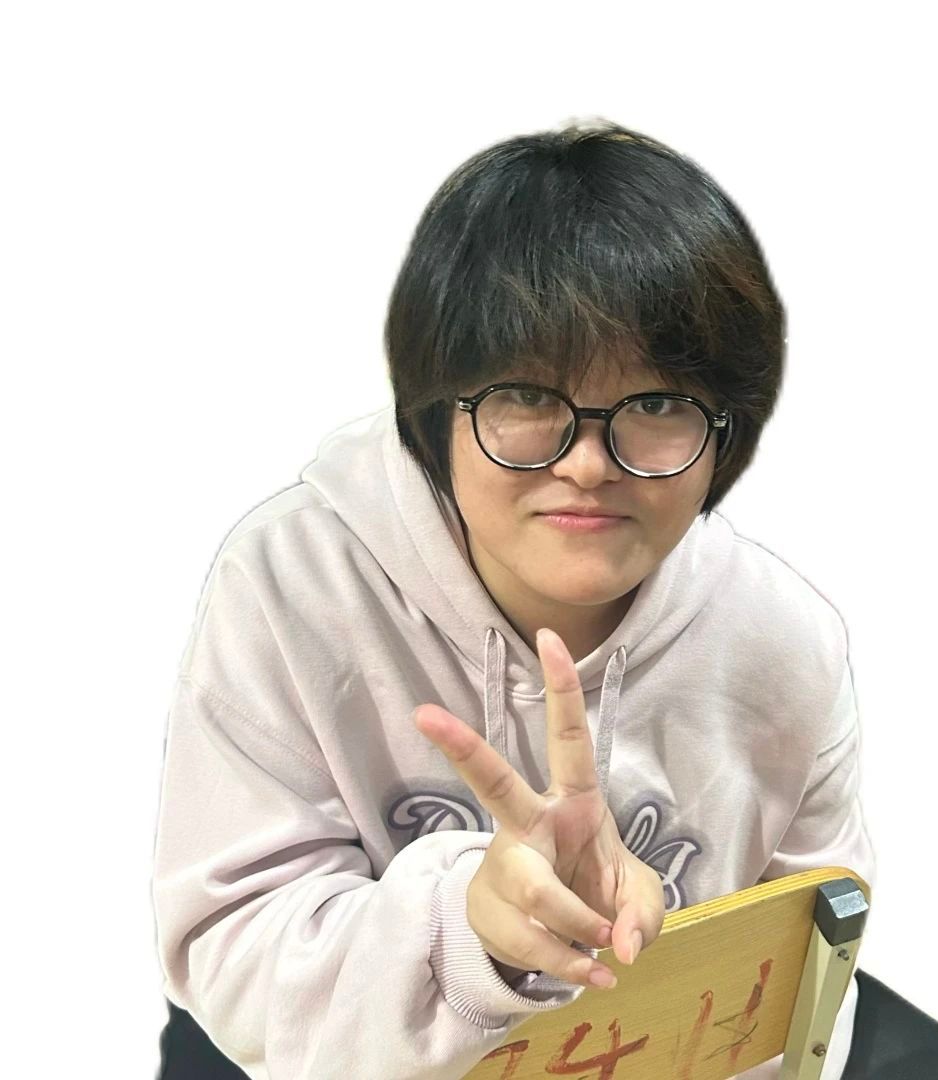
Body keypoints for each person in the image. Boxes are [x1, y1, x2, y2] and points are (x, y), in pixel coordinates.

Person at [152, 120, 878, 1079]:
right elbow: (228, 941)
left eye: (658, 405)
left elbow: (811, 966)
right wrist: (469, 929)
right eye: (529, 396)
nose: (588, 465)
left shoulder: (787, 645)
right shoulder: (293, 583)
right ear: (435, 411)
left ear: (726, 433)